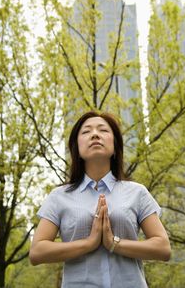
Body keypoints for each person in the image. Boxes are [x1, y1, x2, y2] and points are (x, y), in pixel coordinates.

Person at [29, 111, 171, 288]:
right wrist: (89, 243)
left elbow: (163, 248)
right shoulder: (59, 196)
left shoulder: (137, 192)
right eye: (86, 131)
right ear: (77, 148)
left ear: (115, 146)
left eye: (103, 130)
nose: (95, 134)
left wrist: (113, 243)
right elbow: (37, 252)